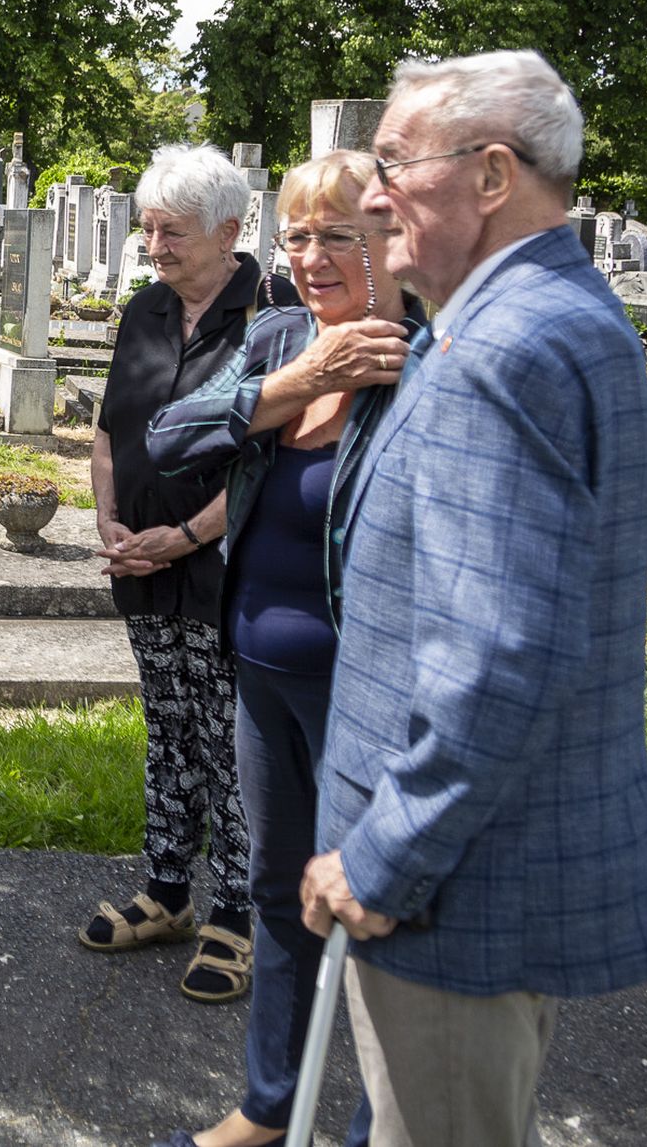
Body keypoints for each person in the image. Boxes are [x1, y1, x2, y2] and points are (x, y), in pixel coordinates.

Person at [302, 51, 647, 1145]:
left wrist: (380, 856)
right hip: (476, 868)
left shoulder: (506, 346)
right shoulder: (530, 315)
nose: (372, 196)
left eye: (396, 164)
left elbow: (499, 654)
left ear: (492, 175)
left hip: (450, 890)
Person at [140, 151, 421, 1147]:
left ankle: (375, 1125)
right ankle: (270, 1105)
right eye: (296, 236)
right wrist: (301, 380)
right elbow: (170, 437)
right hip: (260, 670)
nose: (310, 256)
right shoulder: (281, 334)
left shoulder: (423, 358)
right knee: (276, 888)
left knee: (374, 910)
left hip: (366, 688)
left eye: (337, 235)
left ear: (393, 240)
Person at [81, 143, 288, 1002]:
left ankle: (238, 912)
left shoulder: (272, 314)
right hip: (140, 562)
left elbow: (267, 459)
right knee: (167, 726)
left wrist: (185, 536)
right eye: (149, 228)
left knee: (228, 740)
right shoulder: (145, 309)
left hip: (224, 569)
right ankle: (168, 890)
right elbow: (109, 430)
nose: (154, 245)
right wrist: (109, 519)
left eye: (172, 232)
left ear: (229, 231)